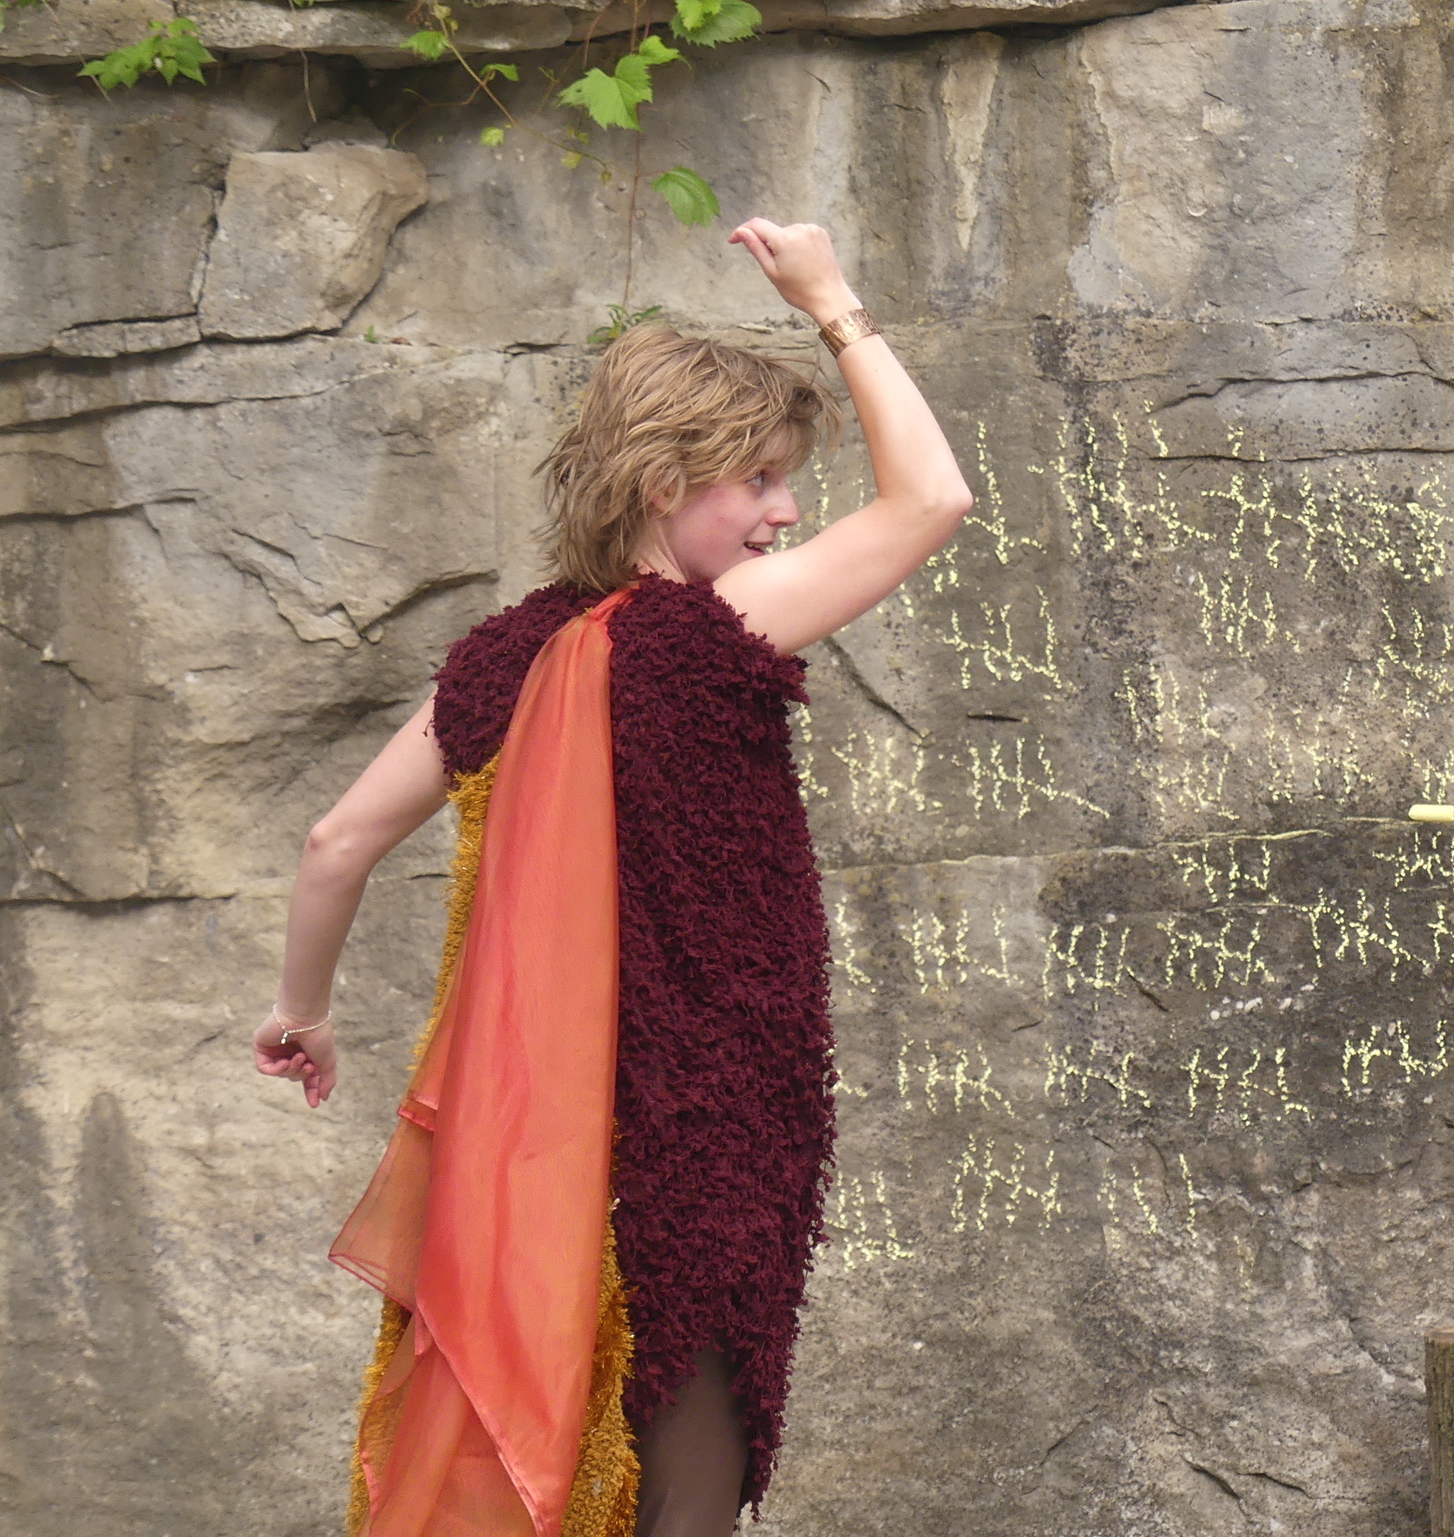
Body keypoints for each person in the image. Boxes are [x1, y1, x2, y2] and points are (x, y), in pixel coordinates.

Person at [249, 219, 973, 1537]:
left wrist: (303, 1012)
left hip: (523, 1154)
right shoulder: (705, 633)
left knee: (555, 1473)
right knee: (681, 1498)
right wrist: (832, 302)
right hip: (701, 1145)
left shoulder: (503, 657)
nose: (786, 511)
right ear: (659, 481)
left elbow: (334, 844)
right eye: (758, 479)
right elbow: (931, 500)